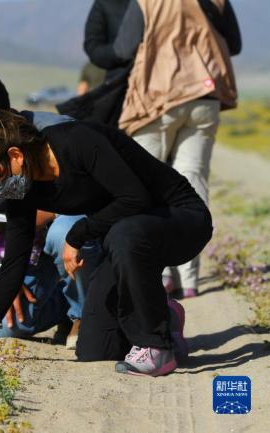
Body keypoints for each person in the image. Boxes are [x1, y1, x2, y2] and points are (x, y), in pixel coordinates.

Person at [0, 109, 212, 376]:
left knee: (123, 232)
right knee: (96, 349)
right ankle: (165, 316)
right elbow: (14, 263)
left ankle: (157, 346)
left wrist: (77, 234)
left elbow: (135, 199)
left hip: (179, 219)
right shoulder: (22, 188)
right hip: (128, 242)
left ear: (15, 155)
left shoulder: (76, 141)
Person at [0, 70, 102, 348]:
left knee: (65, 232)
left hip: (67, 234)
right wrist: (1, 276)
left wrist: (47, 216)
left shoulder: (56, 132)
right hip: (18, 252)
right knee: (9, 327)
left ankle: (85, 314)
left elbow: (94, 196)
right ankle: (67, 308)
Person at [102, 0, 241, 298]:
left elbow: (123, 50)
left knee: (149, 185)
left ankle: (160, 273)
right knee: (193, 180)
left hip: (157, 98)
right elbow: (235, 45)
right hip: (205, 96)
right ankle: (190, 278)